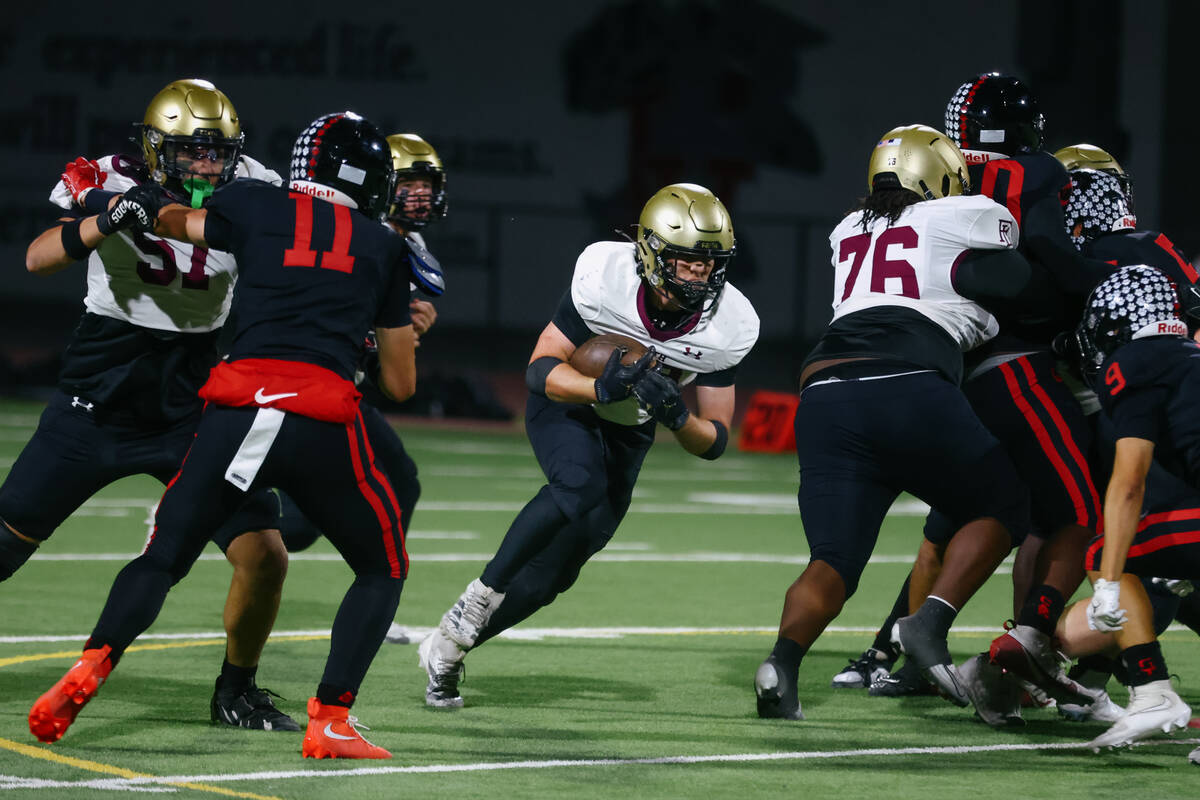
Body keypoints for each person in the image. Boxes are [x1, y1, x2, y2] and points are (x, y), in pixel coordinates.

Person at [28, 111, 417, 760]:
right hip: (318, 412)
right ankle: (331, 718)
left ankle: (93, 663)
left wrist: (104, 201)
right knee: (383, 564)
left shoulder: (255, 204)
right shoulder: (383, 247)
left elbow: (169, 221)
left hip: (232, 404)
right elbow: (401, 385)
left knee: (164, 554)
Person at [2, 78, 296, 732]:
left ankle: (235, 694)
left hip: (193, 398)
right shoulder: (107, 178)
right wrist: (107, 219)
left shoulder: (256, 184)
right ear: (158, 148)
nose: (209, 165)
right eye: (193, 152)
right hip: (99, 393)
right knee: (7, 542)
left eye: (219, 152)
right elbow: (37, 257)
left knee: (265, 554)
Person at [416, 182, 759, 708]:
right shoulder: (606, 277)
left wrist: (676, 415)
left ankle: (448, 646)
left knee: (555, 575)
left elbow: (714, 440)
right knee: (578, 483)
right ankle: (476, 598)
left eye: (710, 264)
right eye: (687, 262)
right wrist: (601, 386)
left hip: (633, 426)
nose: (700, 275)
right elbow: (539, 370)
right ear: (649, 252)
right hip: (570, 399)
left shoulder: (728, 323)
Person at [755, 124, 1046, 721]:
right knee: (1005, 503)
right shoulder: (955, 215)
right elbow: (1010, 236)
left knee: (832, 559)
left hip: (825, 391)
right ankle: (929, 624)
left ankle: (781, 663)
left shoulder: (845, 229)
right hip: (907, 379)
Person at [276, 132, 447, 563]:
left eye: (428, 185)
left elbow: (380, 351)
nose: (421, 196)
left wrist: (405, 332)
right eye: (409, 184)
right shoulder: (355, 233)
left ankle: (380, 589)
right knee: (296, 527)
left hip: (346, 387)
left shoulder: (412, 245)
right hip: (303, 381)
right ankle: (202, 506)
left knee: (401, 481)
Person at [1056, 265, 1195, 751]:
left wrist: (1109, 583)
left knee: (1108, 550)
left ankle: (1152, 690)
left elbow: (1129, 480)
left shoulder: (1136, 362)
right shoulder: (1187, 358)